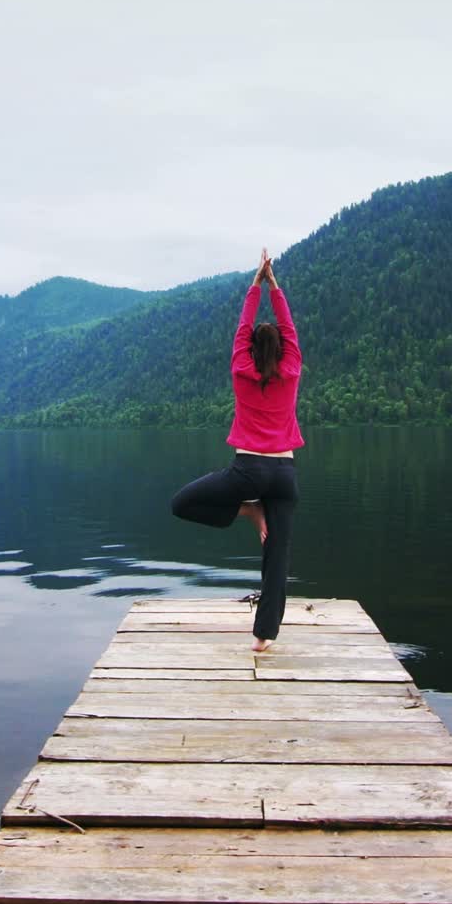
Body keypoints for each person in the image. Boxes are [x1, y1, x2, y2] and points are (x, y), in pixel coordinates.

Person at [171, 248, 304, 652]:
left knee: (181, 503)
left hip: (247, 471)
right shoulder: (292, 369)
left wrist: (254, 284)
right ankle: (264, 636)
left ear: (250, 350)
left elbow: (242, 328)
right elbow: (289, 327)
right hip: (284, 474)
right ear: (282, 349)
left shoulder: (240, 370)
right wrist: (273, 284)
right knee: (277, 556)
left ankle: (246, 510)